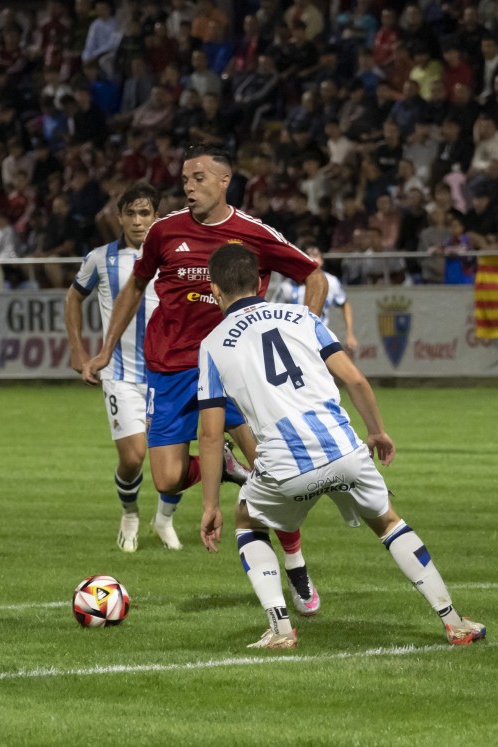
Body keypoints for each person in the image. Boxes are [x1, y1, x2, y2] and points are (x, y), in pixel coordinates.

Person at [197, 243, 487, 649]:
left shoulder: (212, 343)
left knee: (247, 521)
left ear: (214, 290)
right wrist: (378, 431)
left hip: (285, 466)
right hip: (345, 450)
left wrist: (210, 505)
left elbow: (211, 434)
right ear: (261, 281)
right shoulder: (302, 316)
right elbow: (355, 380)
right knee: (388, 521)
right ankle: (455, 621)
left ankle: (280, 628)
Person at [82, 144, 328, 616]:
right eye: (184, 178)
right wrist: (108, 347)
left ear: (223, 182)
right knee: (168, 478)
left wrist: (307, 332)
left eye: (197, 178)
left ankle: (296, 568)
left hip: (234, 369)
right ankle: (227, 468)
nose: (187, 186)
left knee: (272, 472)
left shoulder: (252, 233)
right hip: (170, 368)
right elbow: (136, 284)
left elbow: (312, 276)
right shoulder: (165, 232)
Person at [66, 183, 160, 552]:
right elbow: (73, 297)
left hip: (166, 374)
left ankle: (165, 519)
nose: (138, 222)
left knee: (173, 468)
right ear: (119, 217)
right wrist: (78, 350)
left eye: (145, 213)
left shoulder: (170, 257)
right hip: (119, 373)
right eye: (131, 214)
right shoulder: (100, 258)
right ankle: (130, 511)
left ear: (156, 217)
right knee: (134, 456)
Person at [272, 245, 358, 356]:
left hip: (320, 338)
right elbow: (273, 314)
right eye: (308, 255)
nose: (312, 258)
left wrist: (350, 334)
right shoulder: (286, 287)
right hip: (293, 340)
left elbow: (344, 303)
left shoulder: (331, 282)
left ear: (322, 261)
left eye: (315, 255)